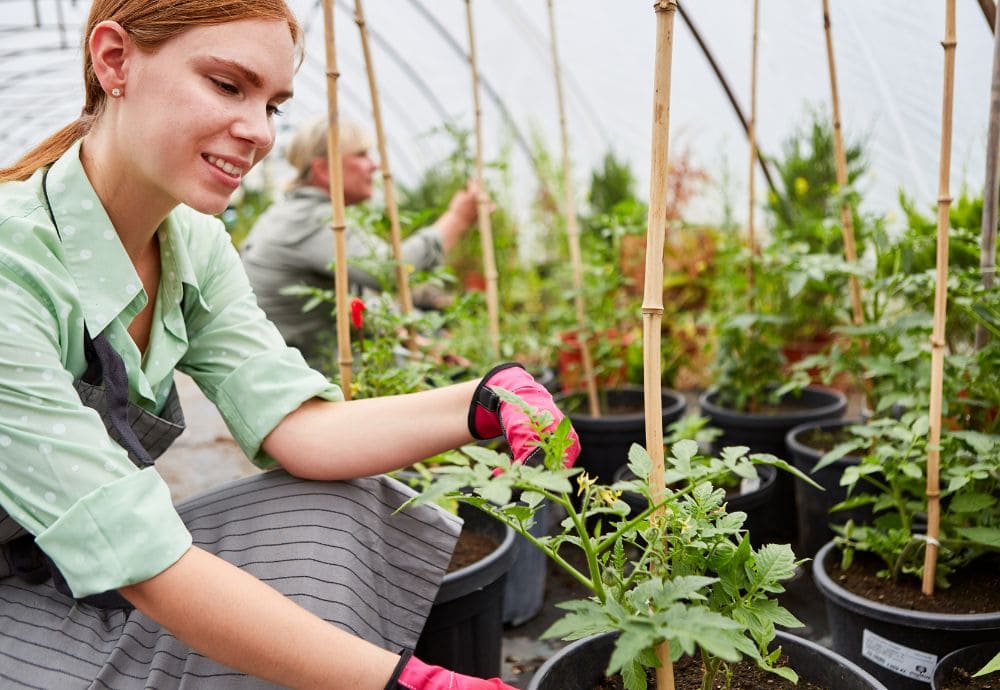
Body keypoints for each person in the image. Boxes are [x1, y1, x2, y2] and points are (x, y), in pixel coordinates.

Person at [0, 1, 579, 688]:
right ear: (114, 60)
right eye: (226, 85)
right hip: (31, 584)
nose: (261, 131)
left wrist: (482, 400)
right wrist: (406, 681)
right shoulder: (15, 260)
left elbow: (297, 428)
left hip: (67, 567)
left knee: (344, 508)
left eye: (272, 103)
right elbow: (138, 552)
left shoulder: (192, 245)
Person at [241, 115, 483, 361]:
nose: (374, 166)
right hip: (306, 378)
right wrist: (458, 218)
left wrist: (417, 338)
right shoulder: (311, 220)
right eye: (362, 155)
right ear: (324, 170)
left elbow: (363, 303)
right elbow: (389, 271)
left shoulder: (294, 212)